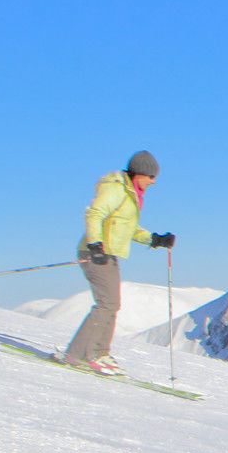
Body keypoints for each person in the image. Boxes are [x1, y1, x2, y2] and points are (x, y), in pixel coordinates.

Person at [61, 151, 175, 375]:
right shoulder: (116, 188)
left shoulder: (131, 194)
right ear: (140, 173)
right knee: (107, 303)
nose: (153, 182)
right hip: (96, 252)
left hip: (107, 253)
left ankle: (98, 352)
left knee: (111, 304)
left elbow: (128, 229)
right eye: (151, 176)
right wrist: (95, 245)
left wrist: (155, 239)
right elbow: (95, 214)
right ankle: (80, 354)